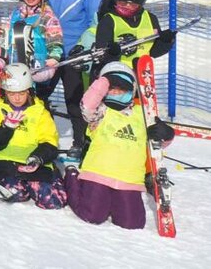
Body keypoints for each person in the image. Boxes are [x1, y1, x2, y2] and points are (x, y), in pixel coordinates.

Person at [64, 61, 174, 230]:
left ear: (132, 90)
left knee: (132, 224)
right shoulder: (100, 112)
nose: (115, 92)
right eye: (111, 89)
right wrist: (105, 80)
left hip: (129, 180)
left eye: (121, 88)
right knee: (92, 215)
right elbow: (87, 104)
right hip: (98, 174)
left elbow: (159, 145)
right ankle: (72, 176)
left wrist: (166, 134)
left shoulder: (143, 115)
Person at [44, 0, 103, 155]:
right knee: (39, 96)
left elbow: (94, 22)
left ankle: (81, 142)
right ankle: (44, 138)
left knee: (74, 100)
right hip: (49, 51)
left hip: (73, 53)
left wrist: (84, 48)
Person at [0, 63, 66, 210]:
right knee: (14, 193)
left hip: (32, 161)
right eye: (12, 93)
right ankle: (18, 184)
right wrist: (6, 127)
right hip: (6, 161)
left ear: (29, 91)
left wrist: (37, 158)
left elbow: (49, 139)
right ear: (5, 92)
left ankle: (56, 179)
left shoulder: (40, 111)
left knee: (53, 201)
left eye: (21, 93)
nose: (17, 98)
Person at [93, 0, 175, 71]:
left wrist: (165, 41)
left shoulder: (150, 19)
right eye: (123, 2)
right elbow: (101, 54)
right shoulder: (109, 20)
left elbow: (154, 52)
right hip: (115, 71)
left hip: (141, 72)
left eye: (132, 4)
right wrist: (112, 52)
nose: (127, 6)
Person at [7, 0, 63, 88]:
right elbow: (7, 39)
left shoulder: (47, 17)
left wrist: (53, 58)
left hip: (37, 68)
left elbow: (55, 42)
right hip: (15, 66)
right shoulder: (15, 15)